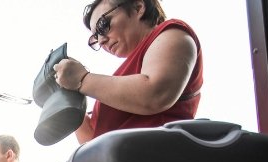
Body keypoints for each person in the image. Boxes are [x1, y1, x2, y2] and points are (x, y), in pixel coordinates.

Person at [53, 0, 203, 142]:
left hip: (157, 154)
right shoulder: (121, 81)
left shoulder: (172, 32)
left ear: (138, 7)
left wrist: (82, 79)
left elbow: (155, 94)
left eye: (103, 25)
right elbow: (92, 139)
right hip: (118, 157)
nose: (101, 40)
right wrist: (69, 96)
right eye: (95, 37)